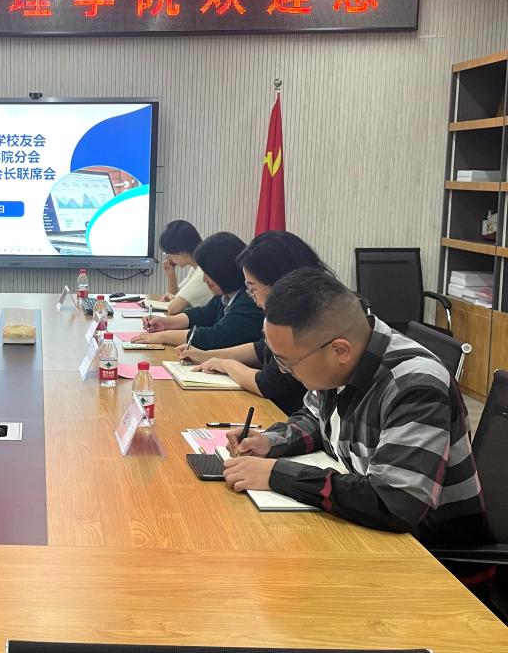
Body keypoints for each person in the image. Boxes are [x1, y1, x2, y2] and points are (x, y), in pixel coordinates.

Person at [222, 268, 491, 567]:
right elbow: (315, 419)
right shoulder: (341, 361)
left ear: (340, 350)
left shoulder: (414, 385)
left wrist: (277, 474)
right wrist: (270, 443)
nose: (285, 372)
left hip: (432, 561)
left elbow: (395, 501)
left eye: (288, 363)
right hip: (368, 538)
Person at [177, 231, 327, 415]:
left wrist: (225, 365)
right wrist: (206, 356)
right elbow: (261, 348)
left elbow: (271, 384)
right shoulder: (292, 309)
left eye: (252, 288)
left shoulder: (306, 319)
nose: (251, 296)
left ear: (279, 282)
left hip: (284, 412)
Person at [134, 232, 263, 349]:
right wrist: (165, 323)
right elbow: (200, 315)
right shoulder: (225, 296)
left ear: (223, 270)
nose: (204, 279)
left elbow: (215, 337)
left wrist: (163, 337)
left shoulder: (250, 300)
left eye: (207, 273)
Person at [147, 220, 213, 315]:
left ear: (182, 252)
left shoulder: (203, 272)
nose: (168, 258)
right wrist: (171, 274)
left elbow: (173, 308)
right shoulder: (195, 268)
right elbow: (175, 295)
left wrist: (174, 299)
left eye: (168, 253)